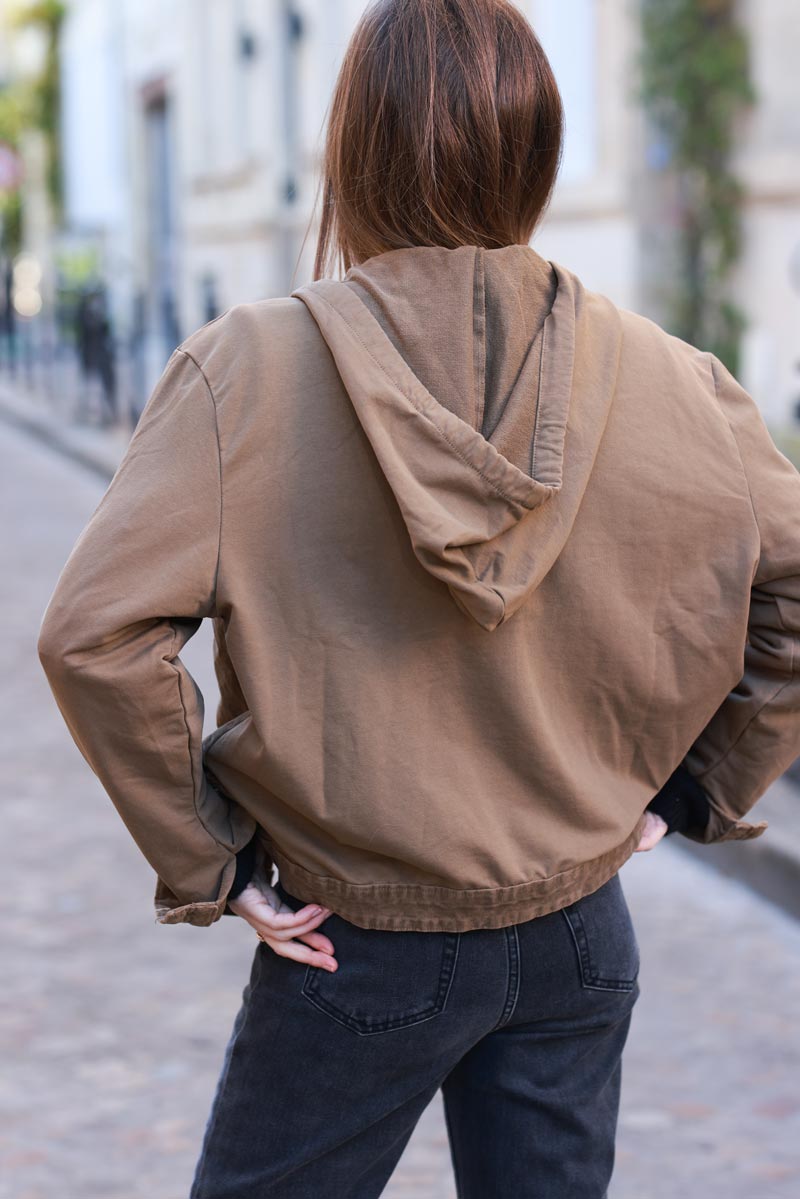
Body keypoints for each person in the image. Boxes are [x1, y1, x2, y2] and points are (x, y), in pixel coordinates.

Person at [36, 1, 800, 1196]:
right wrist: (702, 781)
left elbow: (94, 634)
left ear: (354, 151)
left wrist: (214, 859)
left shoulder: (243, 372)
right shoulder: (677, 381)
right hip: (574, 930)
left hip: (356, 943)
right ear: (534, 148)